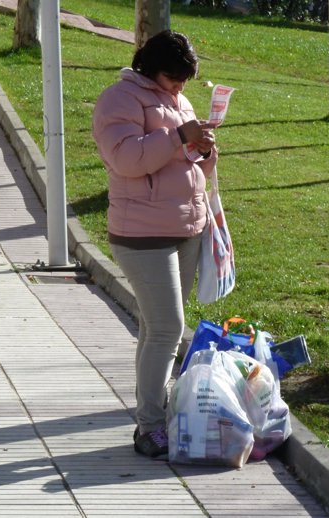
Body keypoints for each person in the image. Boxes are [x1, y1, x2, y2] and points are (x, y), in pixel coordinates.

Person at [92, 30, 217, 458]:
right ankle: (150, 425)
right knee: (167, 329)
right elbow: (126, 159)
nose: (180, 87)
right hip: (141, 233)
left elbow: (185, 159)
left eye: (185, 80)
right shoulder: (119, 99)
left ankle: (156, 417)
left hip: (184, 228)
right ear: (150, 67)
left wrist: (203, 149)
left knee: (155, 328)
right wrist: (180, 137)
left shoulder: (178, 101)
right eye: (174, 77)